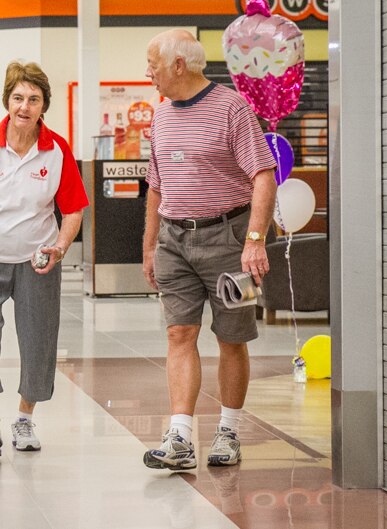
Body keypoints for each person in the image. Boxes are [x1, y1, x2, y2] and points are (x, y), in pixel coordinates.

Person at [140, 29, 277, 471]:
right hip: (174, 240)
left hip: (230, 239)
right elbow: (155, 187)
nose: (148, 73)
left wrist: (255, 240)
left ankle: (229, 430)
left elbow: (263, 176)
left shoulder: (232, 108)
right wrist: (149, 248)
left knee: (231, 338)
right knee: (179, 333)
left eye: (153, 64)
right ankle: (180, 437)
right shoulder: (160, 116)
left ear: (179, 65)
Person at [0, 61, 89, 459]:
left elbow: (74, 209)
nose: (24, 106)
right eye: (17, 98)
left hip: (36, 258)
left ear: (44, 105)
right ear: (7, 101)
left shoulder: (57, 149)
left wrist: (59, 248)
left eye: (33, 99)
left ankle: (25, 418)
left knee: (39, 338)